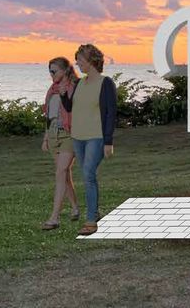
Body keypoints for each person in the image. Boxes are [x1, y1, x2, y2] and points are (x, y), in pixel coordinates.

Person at [61, 43, 116, 236]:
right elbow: (69, 107)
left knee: (88, 174)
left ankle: (91, 220)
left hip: (96, 137)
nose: (78, 65)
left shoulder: (106, 83)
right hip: (78, 137)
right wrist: (63, 92)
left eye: (80, 61)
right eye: (77, 62)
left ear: (92, 61)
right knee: (87, 176)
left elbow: (110, 113)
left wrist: (108, 141)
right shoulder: (79, 84)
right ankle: (96, 212)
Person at [40, 57, 81, 230]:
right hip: (53, 135)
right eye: (49, 71)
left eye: (54, 71)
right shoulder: (52, 90)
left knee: (60, 172)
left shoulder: (75, 87)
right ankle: (75, 208)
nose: (51, 74)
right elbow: (49, 116)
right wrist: (45, 137)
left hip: (69, 135)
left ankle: (54, 217)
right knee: (64, 175)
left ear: (65, 70)